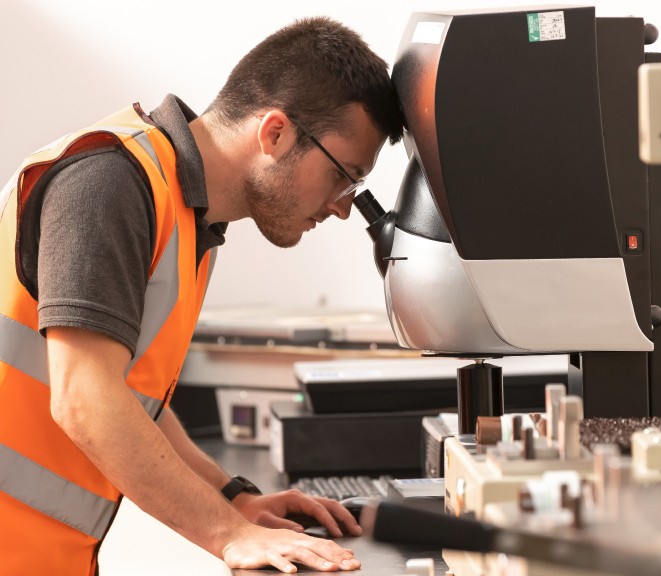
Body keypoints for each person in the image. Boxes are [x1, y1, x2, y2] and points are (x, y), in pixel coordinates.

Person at [0, 16, 404, 574]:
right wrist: (229, 535)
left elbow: (133, 397)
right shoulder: (109, 182)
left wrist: (235, 498)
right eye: (343, 176)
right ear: (276, 132)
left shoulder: (191, 222)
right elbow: (86, 400)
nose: (341, 205)